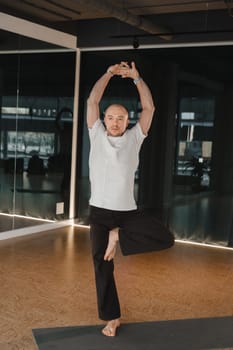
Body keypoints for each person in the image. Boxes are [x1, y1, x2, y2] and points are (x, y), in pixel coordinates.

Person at [87, 61, 174, 337]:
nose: (114, 122)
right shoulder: (96, 134)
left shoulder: (136, 137)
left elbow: (149, 108)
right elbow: (92, 100)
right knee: (102, 265)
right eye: (111, 117)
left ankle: (118, 237)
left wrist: (137, 79)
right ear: (104, 119)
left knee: (165, 238)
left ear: (127, 121)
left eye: (120, 118)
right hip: (100, 213)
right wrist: (109, 74)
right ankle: (112, 318)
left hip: (127, 213)